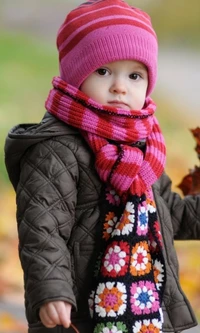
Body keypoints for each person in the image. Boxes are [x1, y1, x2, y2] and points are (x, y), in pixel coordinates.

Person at [4, 1, 200, 333]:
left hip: (144, 306)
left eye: (135, 75)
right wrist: (51, 291)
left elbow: (171, 215)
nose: (120, 86)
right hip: (80, 310)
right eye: (103, 71)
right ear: (75, 74)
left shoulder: (143, 150)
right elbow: (43, 228)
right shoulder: (56, 149)